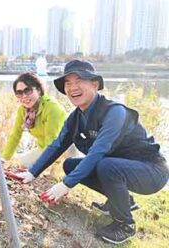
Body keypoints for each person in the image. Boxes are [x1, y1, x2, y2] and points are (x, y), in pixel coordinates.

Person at [15, 60, 169, 244]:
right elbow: (57, 145)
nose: (73, 87)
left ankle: (125, 225)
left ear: (95, 84)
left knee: (105, 165)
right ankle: (123, 201)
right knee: (70, 165)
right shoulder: (76, 117)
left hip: (152, 172)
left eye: (79, 80)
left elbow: (98, 152)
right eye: (68, 83)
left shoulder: (115, 112)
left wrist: (64, 185)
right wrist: (32, 173)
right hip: (121, 167)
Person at [1, 72, 67, 169]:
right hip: (44, 147)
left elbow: (51, 140)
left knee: (66, 172)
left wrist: (36, 170)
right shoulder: (23, 110)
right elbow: (15, 135)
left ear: (39, 90)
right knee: (22, 163)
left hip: (66, 148)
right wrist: (3, 159)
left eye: (28, 91)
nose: (24, 96)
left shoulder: (52, 109)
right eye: (19, 93)